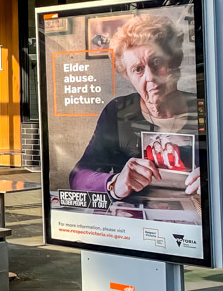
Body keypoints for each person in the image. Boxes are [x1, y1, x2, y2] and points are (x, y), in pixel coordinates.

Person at [70, 15, 200, 199]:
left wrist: (213, 177)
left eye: (157, 62)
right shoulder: (118, 111)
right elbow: (78, 176)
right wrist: (115, 182)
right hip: (134, 221)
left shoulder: (202, 108)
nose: (150, 77)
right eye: (138, 69)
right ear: (127, 75)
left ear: (174, 60)